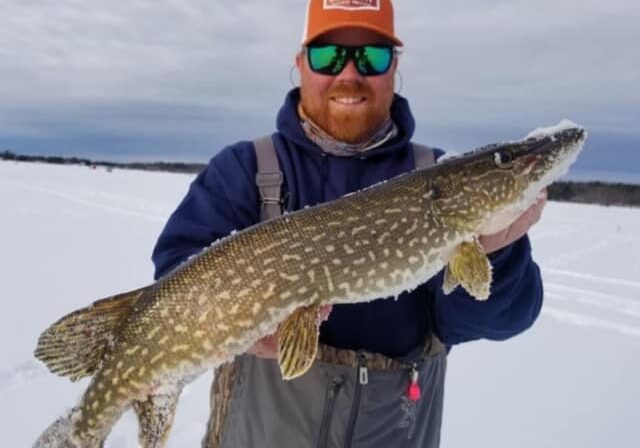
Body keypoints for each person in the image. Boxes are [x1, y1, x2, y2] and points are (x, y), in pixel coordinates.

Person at [152, 1, 547, 447]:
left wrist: (498, 252)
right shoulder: (246, 170)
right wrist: (233, 322)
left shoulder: (439, 175)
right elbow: (177, 275)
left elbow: (500, 318)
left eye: (372, 56)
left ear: (393, 66)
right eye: (328, 56)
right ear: (300, 63)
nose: (349, 73)